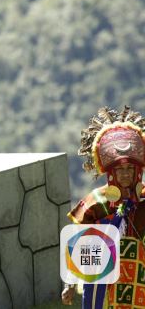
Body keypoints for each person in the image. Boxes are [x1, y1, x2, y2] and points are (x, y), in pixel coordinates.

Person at [61, 106, 145, 307]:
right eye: (120, 169)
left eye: (130, 168)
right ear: (110, 172)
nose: (125, 174)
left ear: (138, 171)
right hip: (104, 285)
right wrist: (70, 284)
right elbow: (78, 246)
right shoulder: (95, 203)